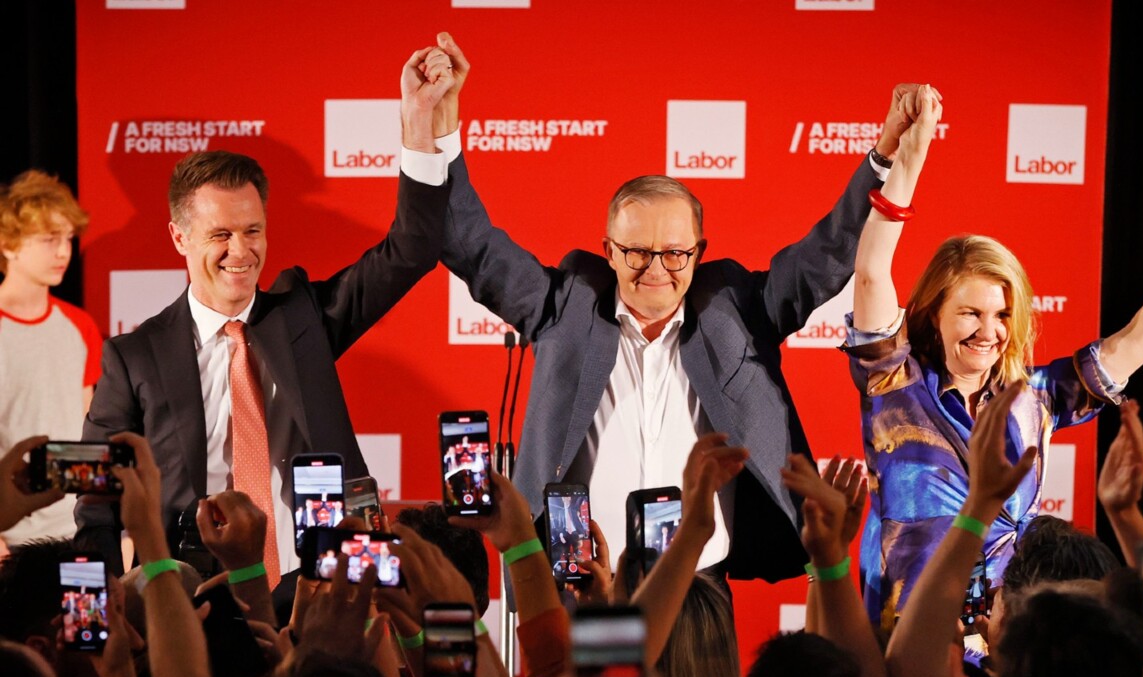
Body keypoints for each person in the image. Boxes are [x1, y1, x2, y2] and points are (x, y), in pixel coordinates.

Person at [420, 32, 918, 580]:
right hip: (581, 586)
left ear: (699, 252)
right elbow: (469, 244)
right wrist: (440, 129)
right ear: (608, 250)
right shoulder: (566, 306)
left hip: (700, 586)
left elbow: (829, 253)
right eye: (635, 251)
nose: (656, 269)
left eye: (676, 253)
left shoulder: (737, 311)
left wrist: (886, 155)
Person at [845, 84, 1143, 622]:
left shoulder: (1035, 399)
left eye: (1003, 315)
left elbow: (1137, 340)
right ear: (933, 310)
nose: (989, 331)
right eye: (971, 313)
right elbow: (870, 273)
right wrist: (910, 158)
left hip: (1006, 644)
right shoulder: (894, 383)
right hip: (904, 639)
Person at [76, 44, 457, 579]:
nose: (241, 251)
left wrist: (419, 123)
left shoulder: (302, 318)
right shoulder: (133, 357)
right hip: (194, 600)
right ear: (179, 237)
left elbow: (412, 249)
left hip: (319, 588)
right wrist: (100, 626)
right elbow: (96, 506)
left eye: (253, 231)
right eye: (220, 235)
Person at [0, 170, 102, 555]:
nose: (64, 252)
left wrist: (105, 523)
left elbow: (88, 424)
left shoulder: (79, 325)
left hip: (78, 530)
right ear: (9, 244)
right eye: (49, 240)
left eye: (68, 239)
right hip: (12, 538)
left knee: (87, 618)